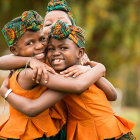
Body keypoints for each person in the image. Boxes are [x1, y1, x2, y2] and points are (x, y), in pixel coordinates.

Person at [0, 21, 136, 140]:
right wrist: (99, 68)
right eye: (51, 48)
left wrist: (96, 68)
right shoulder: (44, 67)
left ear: (80, 52)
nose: (55, 52)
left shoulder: (76, 71)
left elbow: (112, 95)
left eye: (63, 48)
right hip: (72, 130)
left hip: (104, 130)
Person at [0, 0, 117, 101]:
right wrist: (30, 61)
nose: (55, 26)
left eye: (62, 22)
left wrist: (90, 69)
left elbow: (112, 95)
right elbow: (2, 61)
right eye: (48, 24)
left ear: (73, 28)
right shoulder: (41, 53)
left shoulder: (78, 58)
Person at [0, 10, 68, 140]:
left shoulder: (44, 59)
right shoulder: (32, 72)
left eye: (42, 39)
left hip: (45, 127)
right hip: (30, 133)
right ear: (14, 50)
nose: (39, 46)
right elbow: (71, 85)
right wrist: (95, 69)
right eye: (30, 43)